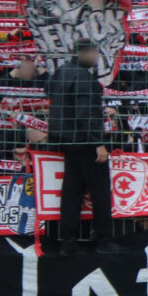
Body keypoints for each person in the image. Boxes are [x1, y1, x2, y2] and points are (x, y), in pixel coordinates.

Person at [45, 38, 117, 256]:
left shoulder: (60, 72)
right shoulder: (85, 78)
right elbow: (86, 114)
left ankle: (68, 242)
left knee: (71, 192)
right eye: (94, 53)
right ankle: (104, 240)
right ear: (84, 53)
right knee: (100, 192)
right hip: (85, 142)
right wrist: (98, 143)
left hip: (66, 141)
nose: (96, 58)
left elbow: (48, 91)